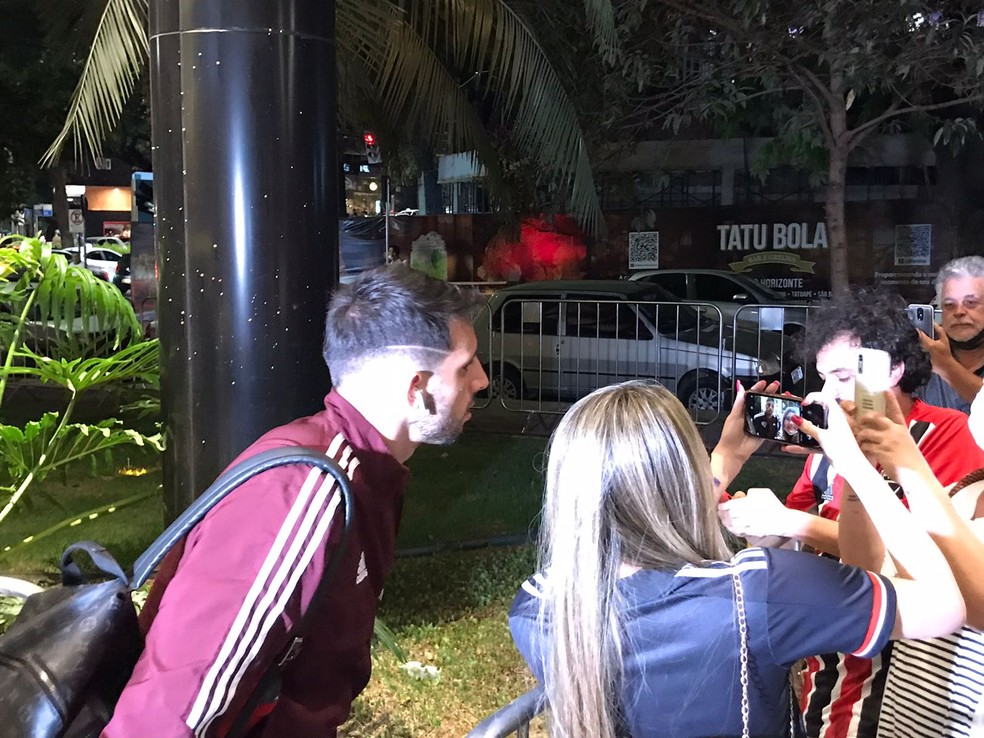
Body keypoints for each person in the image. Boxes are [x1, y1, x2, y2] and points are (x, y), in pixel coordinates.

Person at [104, 264, 489, 737]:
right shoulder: (302, 490)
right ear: (416, 385)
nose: (483, 380)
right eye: (466, 364)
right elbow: (177, 704)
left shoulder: (364, 471)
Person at [509, 380, 965, 738]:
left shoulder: (538, 609)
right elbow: (942, 605)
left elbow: (640, 518)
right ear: (683, 471)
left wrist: (728, 455)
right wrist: (861, 467)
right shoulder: (761, 593)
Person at [719, 287, 984, 738]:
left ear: (892, 369)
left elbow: (930, 560)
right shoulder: (829, 448)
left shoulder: (945, 432)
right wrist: (766, 530)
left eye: (843, 375)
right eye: (821, 377)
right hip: (824, 656)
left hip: (897, 659)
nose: (826, 393)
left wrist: (797, 522)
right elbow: (825, 544)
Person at [917, 256, 984, 414]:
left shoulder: (938, 359)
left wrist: (945, 366)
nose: (959, 312)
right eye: (949, 305)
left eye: (971, 303)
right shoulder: (921, 354)